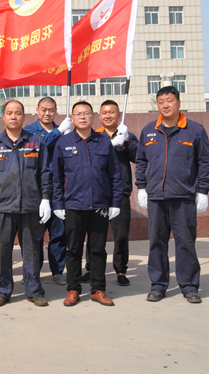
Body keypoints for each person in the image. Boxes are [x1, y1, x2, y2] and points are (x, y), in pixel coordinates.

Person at [136, 86, 209, 304]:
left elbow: (204, 162)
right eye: (161, 101)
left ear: (178, 102)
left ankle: (189, 286)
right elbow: (141, 161)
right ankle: (158, 285)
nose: (165, 105)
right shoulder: (149, 131)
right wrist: (141, 187)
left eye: (169, 100)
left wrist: (203, 190)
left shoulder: (194, 130)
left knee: (185, 243)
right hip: (156, 197)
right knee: (156, 243)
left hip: (183, 197)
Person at [51, 101, 126, 307]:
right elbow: (56, 177)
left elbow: (114, 174)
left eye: (86, 113)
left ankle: (98, 289)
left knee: (98, 249)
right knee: (73, 249)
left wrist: (115, 202)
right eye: (78, 114)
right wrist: (57, 204)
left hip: (99, 204)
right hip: (73, 205)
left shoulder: (103, 142)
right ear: (72, 118)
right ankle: (73, 289)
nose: (82, 117)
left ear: (93, 117)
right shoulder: (63, 142)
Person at [0, 100, 52, 308]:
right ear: (3, 116)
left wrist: (46, 198)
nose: (13, 116)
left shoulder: (36, 142)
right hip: (2, 207)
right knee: (2, 252)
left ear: (24, 116)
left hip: (31, 206)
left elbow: (45, 172)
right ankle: (2, 292)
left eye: (18, 113)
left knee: (32, 252)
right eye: (9, 113)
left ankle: (34, 290)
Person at [82, 100, 138, 287]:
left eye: (111, 112)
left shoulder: (126, 135)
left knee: (121, 235)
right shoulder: (94, 136)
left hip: (119, 193)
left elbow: (139, 157)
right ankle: (91, 268)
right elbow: (89, 158)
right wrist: (109, 145)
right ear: (99, 116)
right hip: (97, 193)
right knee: (94, 235)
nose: (108, 116)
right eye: (104, 113)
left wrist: (127, 141)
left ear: (118, 115)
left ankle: (120, 269)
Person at [23, 97, 73, 285]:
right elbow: (38, 145)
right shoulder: (29, 131)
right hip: (36, 190)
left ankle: (57, 270)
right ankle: (33, 272)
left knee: (58, 234)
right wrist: (58, 133)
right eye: (44, 109)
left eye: (51, 110)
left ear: (56, 111)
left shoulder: (64, 130)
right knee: (34, 235)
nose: (47, 113)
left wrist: (67, 136)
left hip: (58, 190)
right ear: (37, 110)